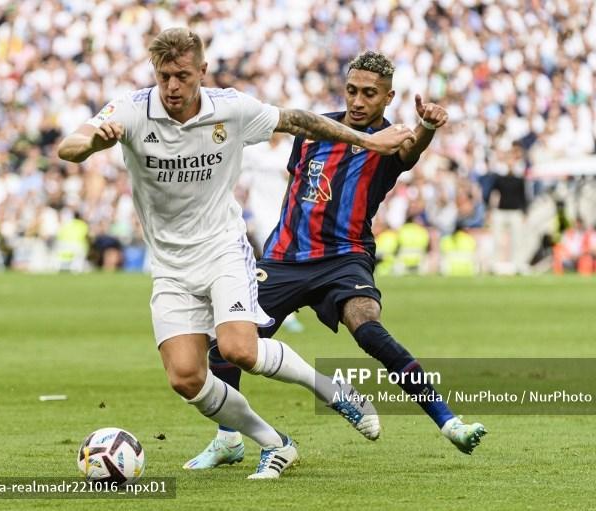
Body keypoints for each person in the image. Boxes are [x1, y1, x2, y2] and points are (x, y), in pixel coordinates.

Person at [57, 30, 413, 480]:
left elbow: (299, 121)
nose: (172, 86)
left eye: (182, 76)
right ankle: (275, 442)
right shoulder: (131, 110)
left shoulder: (230, 108)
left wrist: (369, 141)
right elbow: (69, 146)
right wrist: (93, 143)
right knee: (186, 378)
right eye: (164, 76)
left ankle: (332, 391)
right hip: (170, 266)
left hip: (223, 249)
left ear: (201, 72)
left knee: (239, 349)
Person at [186, 51, 486, 470]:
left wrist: (427, 127)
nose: (358, 101)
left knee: (368, 328)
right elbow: (299, 185)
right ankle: (228, 439)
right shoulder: (313, 130)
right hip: (287, 258)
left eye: (370, 94)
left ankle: (449, 422)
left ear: (388, 98)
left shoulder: (389, 139)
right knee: (226, 344)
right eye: (352, 91)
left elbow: (411, 149)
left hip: (345, 257)